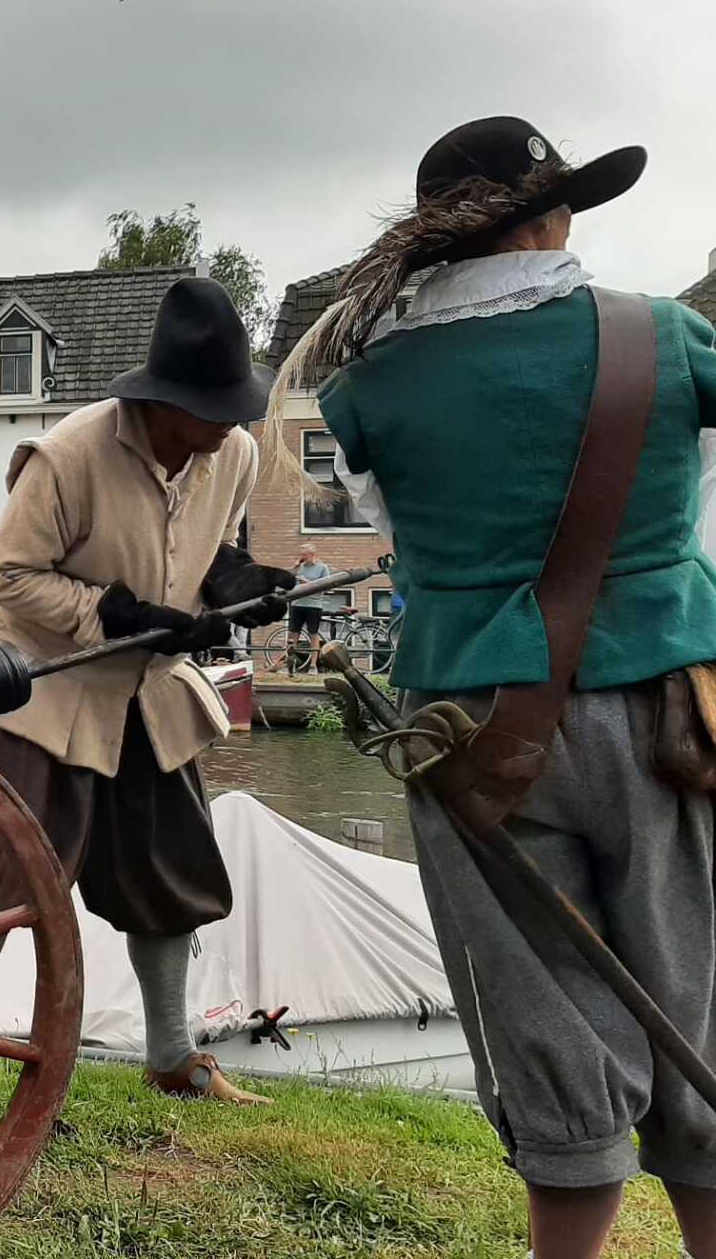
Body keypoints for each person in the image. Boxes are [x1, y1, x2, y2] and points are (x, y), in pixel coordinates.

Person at [279, 116, 716, 1259]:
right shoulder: (664, 336)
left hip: (475, 732)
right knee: (704, 1009)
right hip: (670, 715)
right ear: (548, 219)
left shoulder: (371, 387)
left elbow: (392, 524)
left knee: (547, 1026)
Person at [0, 277, 294, 1129]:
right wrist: (117, 614)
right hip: (44, 688)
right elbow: (10, 576)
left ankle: (173, 1056)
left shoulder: (232, 453)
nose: (232, 425)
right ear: (166, 404)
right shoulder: (69, 455)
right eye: (217, 410)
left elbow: (209, 548)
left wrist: (235, 585)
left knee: (168, 875)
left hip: (148, 698)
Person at [285, 544, 331, 671]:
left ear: (312, 555)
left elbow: (327, 586)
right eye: (301, 555)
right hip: (297, 604)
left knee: (313, 635)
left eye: (304, 555)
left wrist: (308, 583)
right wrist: (294, 569)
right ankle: (290, 665)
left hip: (313, 605)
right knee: (293, 635)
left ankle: (313, 665)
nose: (302, 557)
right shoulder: (299, 567)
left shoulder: (322, 568)